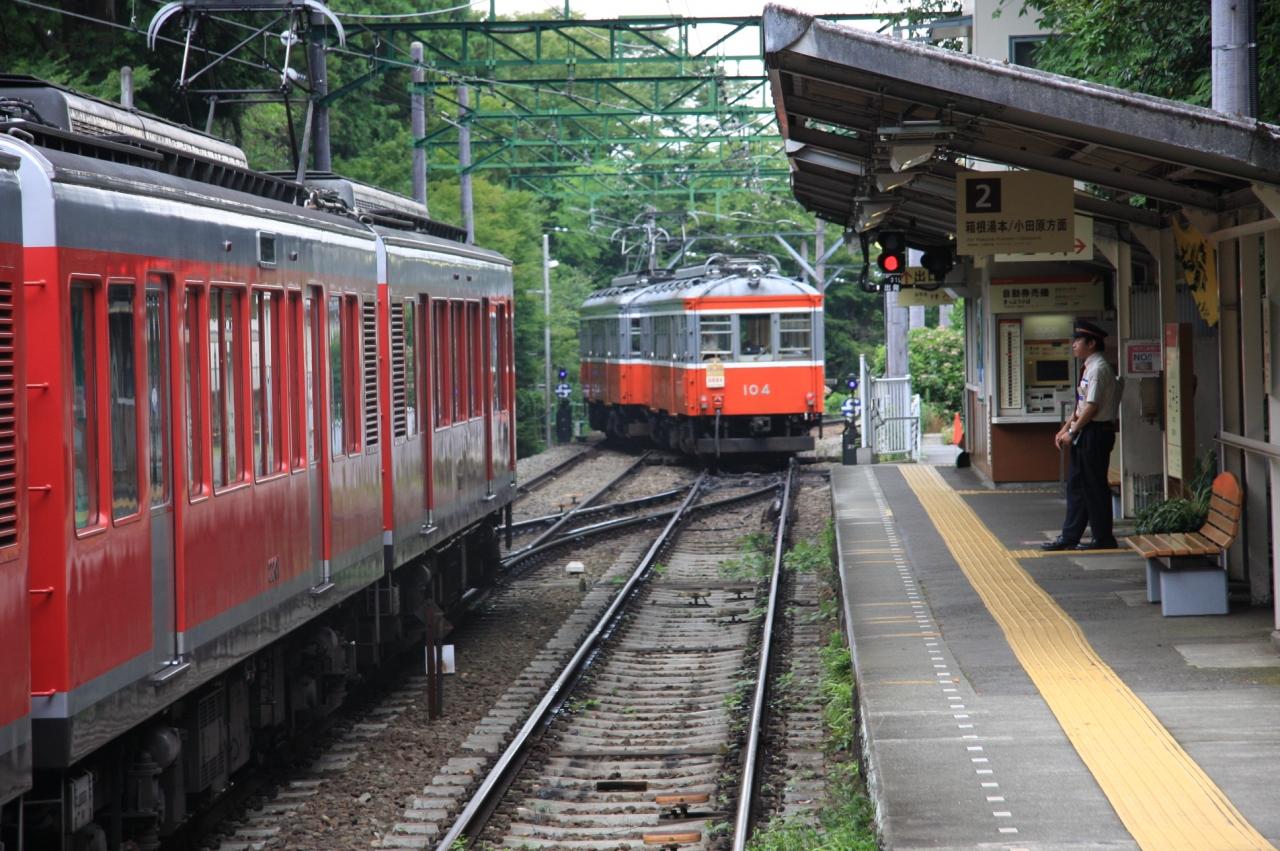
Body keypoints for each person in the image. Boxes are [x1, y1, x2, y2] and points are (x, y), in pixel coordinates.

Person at [1042, 320, 1120, 551]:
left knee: (1093, 487)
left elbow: (1092, 407)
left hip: (1095, 432)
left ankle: (1102, 538)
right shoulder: (1089, 367)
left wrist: (1072, 431)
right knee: (1078, 486)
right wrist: (1065, 428)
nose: (1074, 345)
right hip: (1087, 431)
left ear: (1091, 343)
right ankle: (1071, 537)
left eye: (1078, 340)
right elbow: (1081, 406)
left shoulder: (1098, 369)